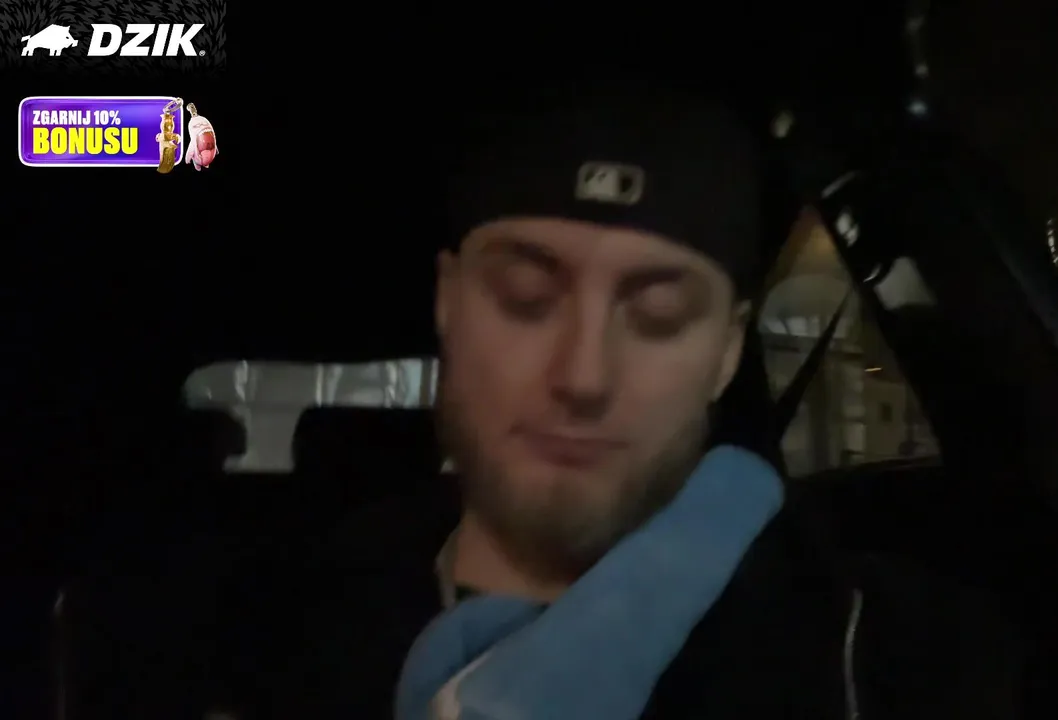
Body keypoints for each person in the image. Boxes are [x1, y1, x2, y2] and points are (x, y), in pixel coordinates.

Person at [279, 87, 858, 719]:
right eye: (525, 296)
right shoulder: (275, 621)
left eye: (659, 314)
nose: (583, 378)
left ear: (727, 352)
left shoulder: (857, 647)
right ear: (447, 302)